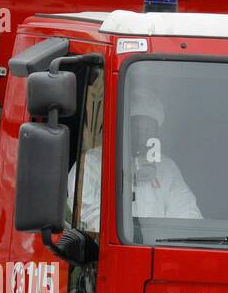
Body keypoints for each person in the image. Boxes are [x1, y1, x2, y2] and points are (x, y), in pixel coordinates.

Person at [69, 85, 201, 231]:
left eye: (148, 128)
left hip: (158, 249)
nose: (142, 134)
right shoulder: (92, 163)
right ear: (123, 126)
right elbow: (88, 215)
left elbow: (186, 211)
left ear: (156, 132)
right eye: (136, 127)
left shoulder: (166, 168)